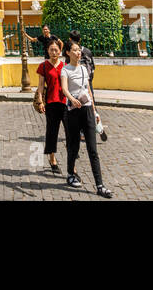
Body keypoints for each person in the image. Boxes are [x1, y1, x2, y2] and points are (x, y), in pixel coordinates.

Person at [60, 42, 112, 198]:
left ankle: (100, 185)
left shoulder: (83, 69)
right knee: (74, 146)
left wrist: (95, 112)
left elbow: (88, 90)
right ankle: (70, 173)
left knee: (93, 149)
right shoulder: (65, 70)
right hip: (73, 112)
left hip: (87, 109)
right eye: (74, 50)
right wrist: (71, 99)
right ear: (68, 52)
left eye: (79, 50)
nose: (78, 53)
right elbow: (64, 89)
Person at [33, 38, 66, 174]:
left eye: (56, 50)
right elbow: (41, 86)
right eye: (51, 50)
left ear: (60, 51)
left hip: (65, 102)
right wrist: (40, 101)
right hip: (51, 103)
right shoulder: (44, 66)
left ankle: (73, 155)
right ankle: (52, 158)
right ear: (47, 51)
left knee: (70, 131)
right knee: (52, 132)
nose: (53, 52)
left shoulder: (65, 66)